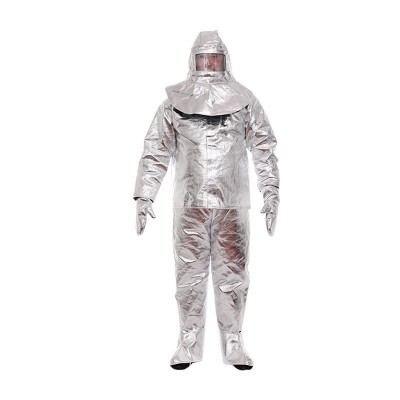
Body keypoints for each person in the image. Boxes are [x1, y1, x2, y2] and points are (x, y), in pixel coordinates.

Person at [133, 31, 280, 370]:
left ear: (225, 60)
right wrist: (145, 194)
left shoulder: (244, 101)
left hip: (232, 204)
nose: (210, 65)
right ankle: (188, 342)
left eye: (215, 58)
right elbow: (156, 149)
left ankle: (233, 342)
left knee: (234, 276)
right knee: (189, 278)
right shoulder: (173, 103)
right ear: (193, 61)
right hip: (190, 204)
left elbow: (264, 147)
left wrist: (271, 191)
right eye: (204, 58)